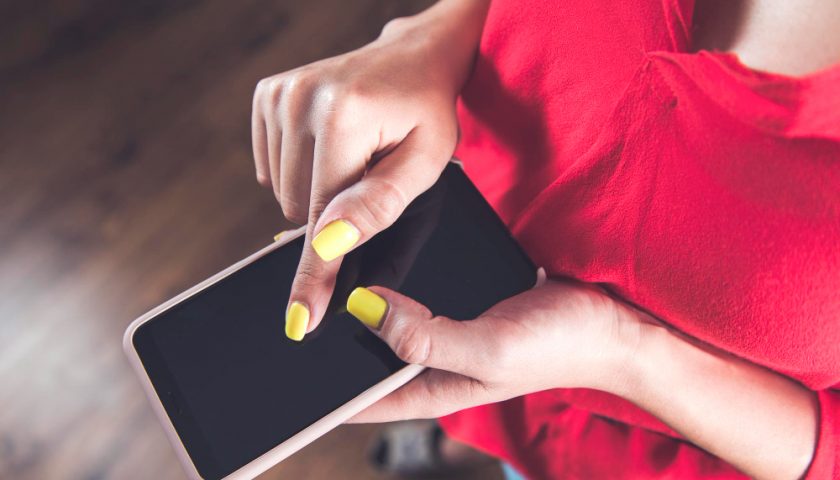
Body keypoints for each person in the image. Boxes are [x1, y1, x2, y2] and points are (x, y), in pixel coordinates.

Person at [250, 0, 840, 478]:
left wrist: (622, 352)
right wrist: (428, 40)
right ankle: (457, 447)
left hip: (651, 434)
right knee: (460, 404)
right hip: (455, 241)